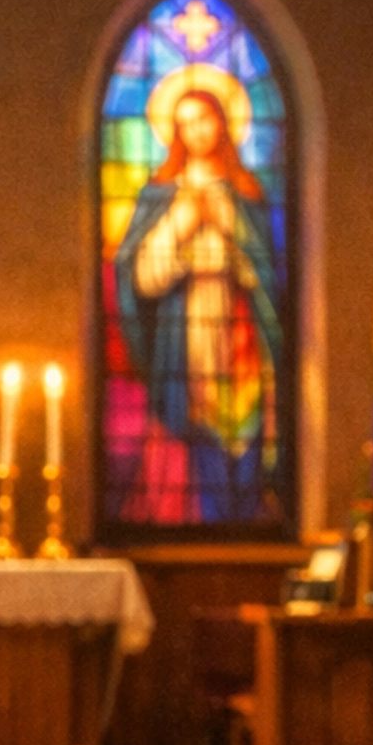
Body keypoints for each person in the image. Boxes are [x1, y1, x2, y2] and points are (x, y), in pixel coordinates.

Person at [116, 85, 281, 522]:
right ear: (174, 131)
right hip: (183, 331)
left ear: (223, 123)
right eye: (185, 123)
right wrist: (181, 224)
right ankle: (199, 513)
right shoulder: (160, 196)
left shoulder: (247, 194)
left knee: (244, 423)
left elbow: (267, 274)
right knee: (194, 424)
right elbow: (139, 278)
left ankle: (243, 514)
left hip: (238, 327)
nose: (196, 131)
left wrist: (228, 224)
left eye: (204, 119)